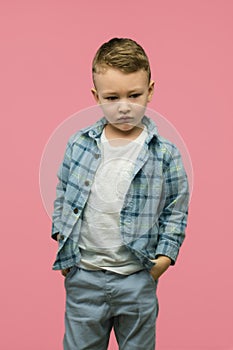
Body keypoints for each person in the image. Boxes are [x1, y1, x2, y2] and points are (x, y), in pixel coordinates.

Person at [51, 37, 189, 350]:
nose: (124, 107)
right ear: (95, 96)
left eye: (134, 95)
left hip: (136, 278)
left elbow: (175, 209)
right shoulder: (78, 144)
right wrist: (64, 245)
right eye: (112, 97)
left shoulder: (164, 153)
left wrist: (163, 260)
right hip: (85, 275)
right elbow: (64, 193)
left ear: (150, 91)